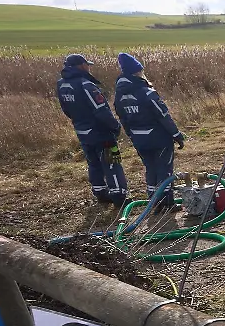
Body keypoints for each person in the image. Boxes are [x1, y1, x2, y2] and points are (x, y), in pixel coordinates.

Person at [113, 53, 186, 214]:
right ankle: (167, 204)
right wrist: (176, 135)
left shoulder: (119, 95)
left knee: (150, 169)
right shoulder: (146, 91)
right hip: (158, 138)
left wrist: (132, 136)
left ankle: (154, 202)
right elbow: (163, 115)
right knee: (164, 170)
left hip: (139, 138)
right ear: (136, 72)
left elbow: (122, 117)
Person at [56, 54, 129, 207]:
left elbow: (66, 109)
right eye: (86, 65)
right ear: (81, 66)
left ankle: (100, 193)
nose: (89, 67)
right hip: (101, 133)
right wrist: (115, 126)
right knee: (112, 163)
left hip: (82, 131)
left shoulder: (62, 85)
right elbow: (101, 110)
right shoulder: (86, 85)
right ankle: (119, 196)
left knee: (93, 163)